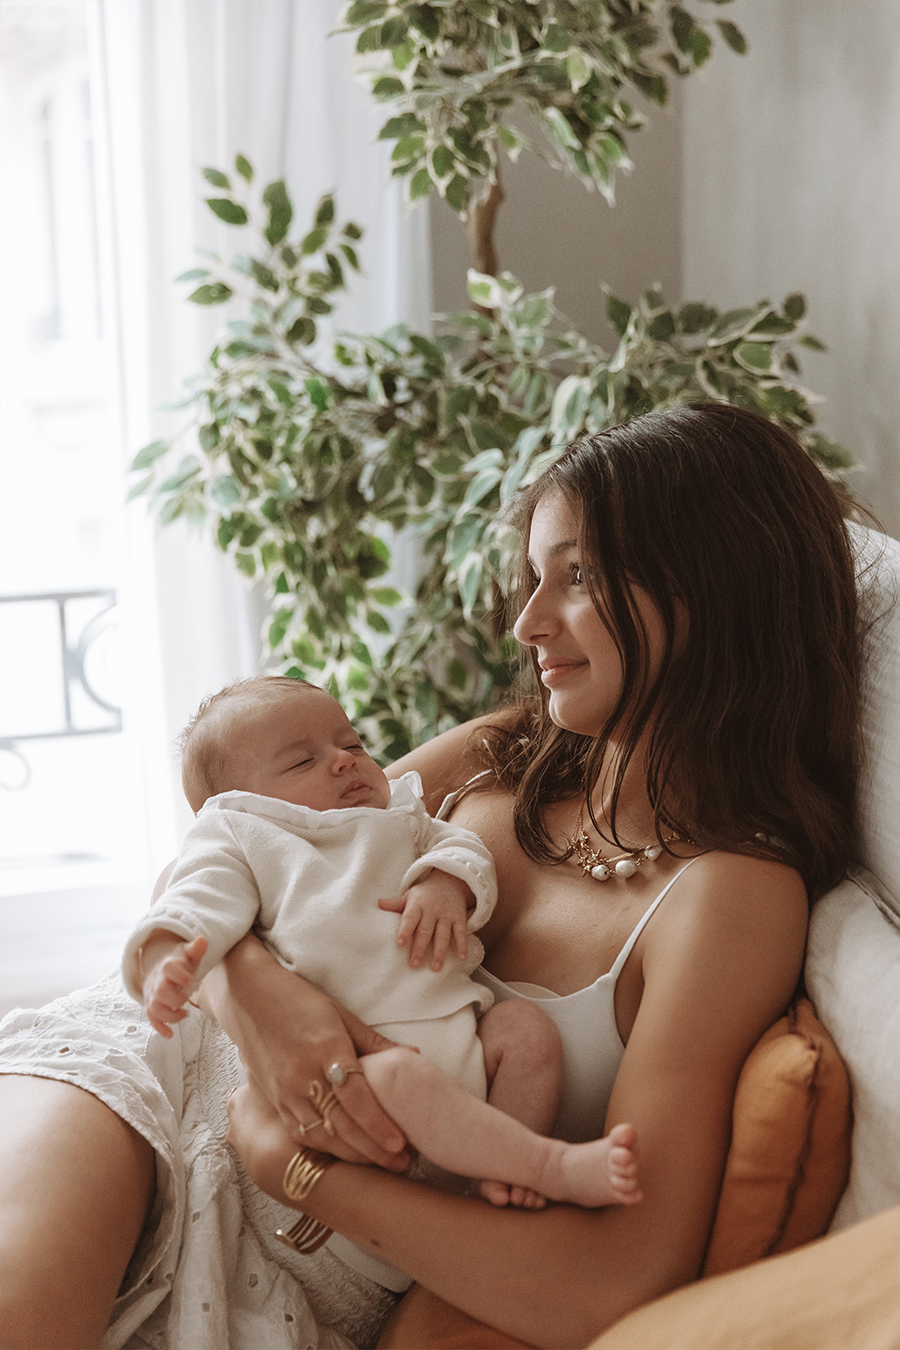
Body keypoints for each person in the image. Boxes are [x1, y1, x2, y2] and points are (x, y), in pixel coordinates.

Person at [0, 402, 861, 1350]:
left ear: (715, 586)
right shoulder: (509, 750)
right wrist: (257, 998)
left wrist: (300, 1170)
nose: (528, 622)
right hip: (150, 1077)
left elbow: (613, 1278)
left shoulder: (729, 898)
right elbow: (225, 846)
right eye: (535, 576)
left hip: (299, 1245)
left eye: (578, 576)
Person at [123, 675, 641, 1216]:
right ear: (236, 802)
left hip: (460, 1036)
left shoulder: (400, 815)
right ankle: (546, 1165)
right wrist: (163, 956)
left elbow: (463, 847)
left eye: (352, 744)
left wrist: (444, 882)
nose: (344, 761)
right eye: (302, 762)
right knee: (403, 1075)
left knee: (526, 1032)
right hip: (361, 1065)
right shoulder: (245, 836)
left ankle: (500, 1171)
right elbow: (196, 897)